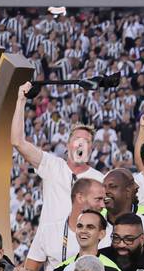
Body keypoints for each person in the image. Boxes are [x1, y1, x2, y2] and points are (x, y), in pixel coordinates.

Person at [12, 82, 105, 231]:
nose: (81, 144)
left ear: (92, 148)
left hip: (82, 250)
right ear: (67, 145)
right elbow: (18, 142)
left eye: (86, 141)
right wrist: (21, 100)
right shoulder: (51, 165)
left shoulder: (100, 179)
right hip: (49, 250)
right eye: (76, 140)